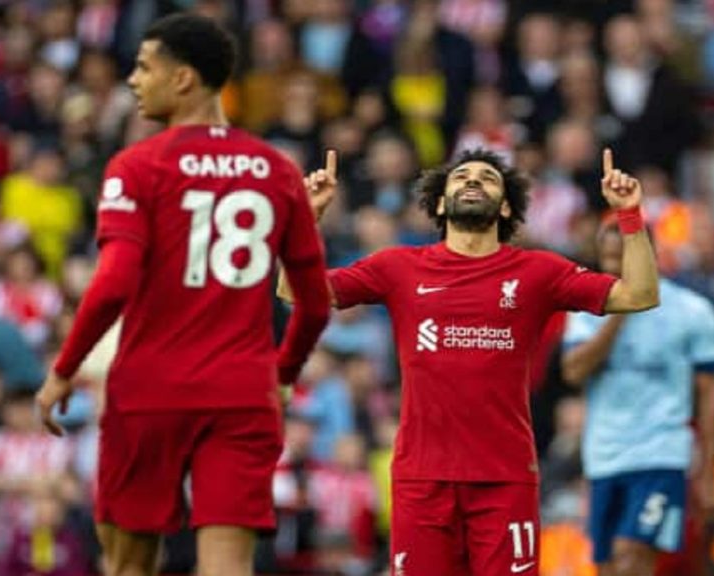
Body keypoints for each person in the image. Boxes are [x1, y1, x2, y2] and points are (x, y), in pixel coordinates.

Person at [34, 13, 331, 576]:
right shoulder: (278, 171)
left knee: (129, 565)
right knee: (229, 566)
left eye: (144, 67)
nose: (132, 80)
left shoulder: (136, 166)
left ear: (183, 78)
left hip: (149, 388)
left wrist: (64, 368)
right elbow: (314, 304)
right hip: (243, 392)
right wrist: (283, 376)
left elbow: (114, 283)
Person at [282, 146, 659, 575]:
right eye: (461, 177)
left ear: (505, 208)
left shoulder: (539, 271)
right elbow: (293, 290)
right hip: (422, 479)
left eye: (488, 178)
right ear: (441, 203)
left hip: (505, 479)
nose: (473, 181)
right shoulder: (398, 266)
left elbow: (639, 294)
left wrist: (630, 216)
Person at [561, 217, 714, 576]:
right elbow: (573, 371)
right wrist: (620, 313)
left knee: (632, 553)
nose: (613, 267)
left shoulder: (691, 311)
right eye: (606, 258)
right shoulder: (587, 308)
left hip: (660, 453)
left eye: (621, 257)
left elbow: (712, 396)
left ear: (646, 254)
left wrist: (709, 474)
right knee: (607, 566)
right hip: (604, 456)